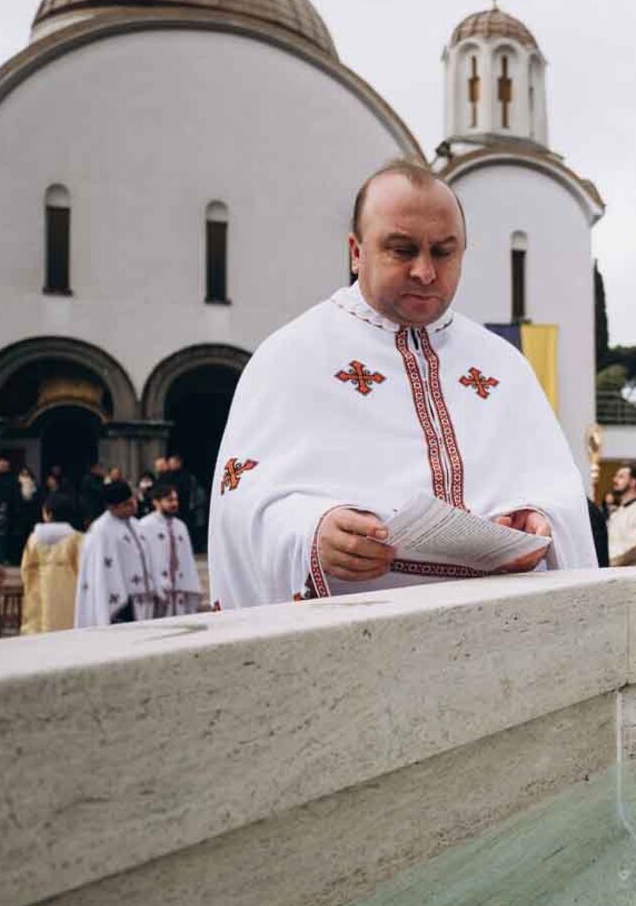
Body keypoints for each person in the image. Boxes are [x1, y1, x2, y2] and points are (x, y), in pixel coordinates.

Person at [208, 158, 594, 608]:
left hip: (494, 636)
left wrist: (538, 520)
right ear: (356, 251)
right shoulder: (291, 356)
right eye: (402, 249)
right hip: (351, 643)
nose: (425, 272)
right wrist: (313, 531)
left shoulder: (504, 366)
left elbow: (559, 489)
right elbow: (240, 498)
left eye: (444, 252)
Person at [75, 480, 156, 627]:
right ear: (112, 507)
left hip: (143, 599)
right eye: (127, 504)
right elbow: (101, 573)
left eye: (133, 501)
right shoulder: (100, 531)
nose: (133, 506)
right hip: (119, 603)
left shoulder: (136, 524)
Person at [19, 492, 83, 635]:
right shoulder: (77, 540)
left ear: (48, 513)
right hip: (69, 600)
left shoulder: (33, 540)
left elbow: (25, 571)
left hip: (38, 599)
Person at [138, 481, 202, 616]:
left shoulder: (180, 526)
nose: (174, 504)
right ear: (156, 502)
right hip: (157, 590)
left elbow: (187, 560)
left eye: (175, 500)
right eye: (169, 500)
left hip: (179, 589)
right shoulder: (144, 526)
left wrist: (189, 584)